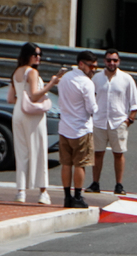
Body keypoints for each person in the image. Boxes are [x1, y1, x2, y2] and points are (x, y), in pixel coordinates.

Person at [6, 43, 62, 204]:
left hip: (18, 112)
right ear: (28, 55)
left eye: (40, 54)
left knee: (21, 152)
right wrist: (52, 83)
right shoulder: (32, 72)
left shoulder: (16, 72)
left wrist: (23, 99)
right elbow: (35, 96)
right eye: (35, 54)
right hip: (32, 115)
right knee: (38, 150)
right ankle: (43, 192)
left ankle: (21, 191)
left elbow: (10, 98)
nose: (38, 57)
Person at [85, 49, 137, 196]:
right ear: (104, 61)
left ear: (119, 62)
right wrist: (91, 117)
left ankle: (119, 185)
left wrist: (129, 120)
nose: (111, 63)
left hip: (118, 122)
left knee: (118, 154)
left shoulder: (126, 79)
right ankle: (95, 183)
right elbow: (89, 98)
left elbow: (135, 103)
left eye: (114, 60)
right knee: (97, 154)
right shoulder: (96, 78)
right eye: (109, 60)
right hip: (99, 121)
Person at [58, 51, 98, 208]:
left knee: (66, 163)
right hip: (81, 128)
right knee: (80, 164)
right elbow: (91, 107)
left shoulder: (65, 78)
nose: (93, 69)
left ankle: (67, 197)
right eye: (91, 66)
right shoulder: (86, 82)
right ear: (81, 64)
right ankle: (78, 196)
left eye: (95, 66)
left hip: (65, 126)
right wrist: (97, 106)